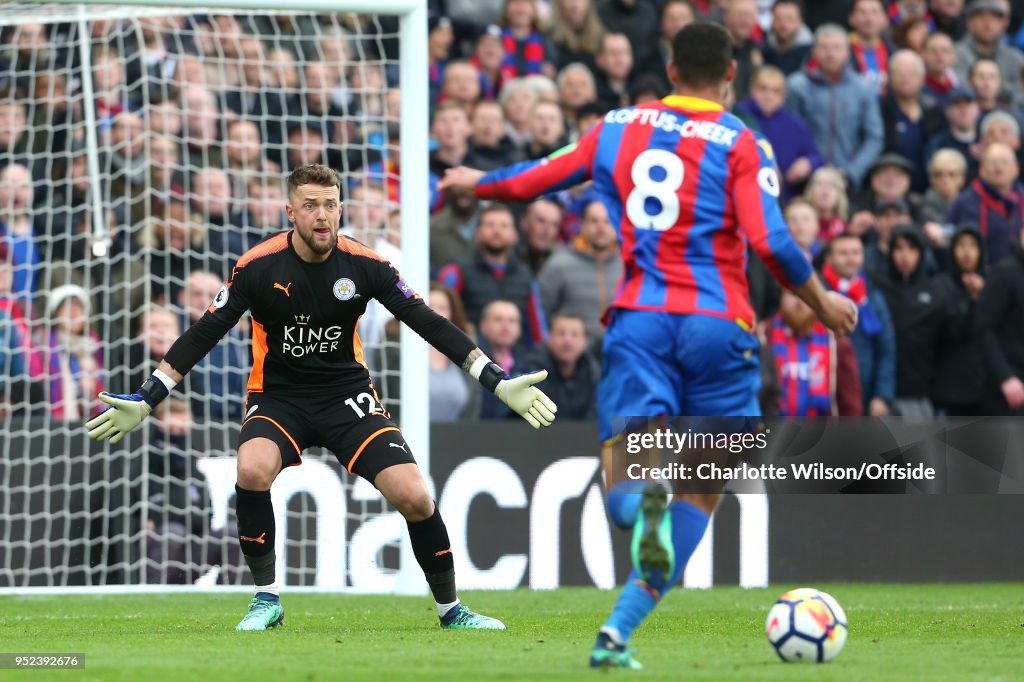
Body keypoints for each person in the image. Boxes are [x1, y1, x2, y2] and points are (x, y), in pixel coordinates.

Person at [439, 21, 856, 669]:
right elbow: (770, 241)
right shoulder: (745, 143)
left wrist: (475, 179)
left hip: (640, 322)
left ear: (668, 69)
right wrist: (824, 305)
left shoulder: (617, 126)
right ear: (731, 74)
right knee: (703, 487)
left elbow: (535, 179)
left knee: (630, 481)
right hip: (721, 327)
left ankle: (628, 569)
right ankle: (618, 627)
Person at [87, 164, 557, 631]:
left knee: (414, 496)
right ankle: (265, 599)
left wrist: (494, 377)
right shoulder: (256, 267)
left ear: (341, 210)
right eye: (310, 206)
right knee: (251, 470)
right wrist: (149, 396)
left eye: (330, 206)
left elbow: (426, 319)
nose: (322, 216)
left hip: (346, 396)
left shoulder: (367, 265)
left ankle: (452, 611)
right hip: (278, 397)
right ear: (290, 211)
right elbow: (205, 331)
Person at [824, 233, 897, 416]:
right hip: (826, 396)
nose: (850, 259)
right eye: (843, 253)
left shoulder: (872, 297)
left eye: (856, 252)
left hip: (865, 397)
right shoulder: (819, 294)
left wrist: (882, 395)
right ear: (830, 257)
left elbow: (886, 349)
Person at [521, 313, 599, 419]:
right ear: (549, 337)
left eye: (575, 334)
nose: (567, 340)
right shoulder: (533, 371)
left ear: (584, 341)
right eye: (561, 333)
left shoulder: (593, 372)